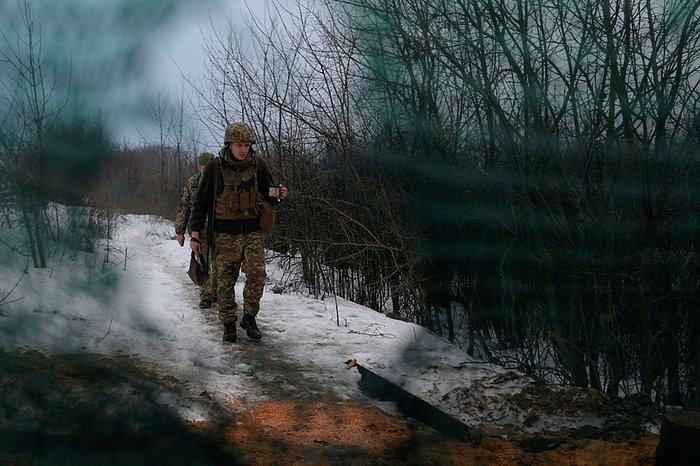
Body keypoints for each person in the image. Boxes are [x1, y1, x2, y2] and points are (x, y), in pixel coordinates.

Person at [189, 122, 288, 342]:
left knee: (257, 275)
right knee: (225, 280)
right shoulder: (215, 168)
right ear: (229, 144)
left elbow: (268, 192)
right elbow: (200, 203)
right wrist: (195, 234)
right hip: (224, 234)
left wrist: (279, 194)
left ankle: (250, 317)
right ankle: (228, 323)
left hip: (252, 232)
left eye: (246, 144)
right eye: (239, 144)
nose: (243, 149)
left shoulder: (257, 165)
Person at [175, 151, 217, 308]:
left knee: (219, 262)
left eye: (208, 168)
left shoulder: (222, 183)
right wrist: (180, 231)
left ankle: (217, 290)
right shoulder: (192, 183)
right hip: (199, 230)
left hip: (219, 229)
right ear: (199, 167)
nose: (205, 170)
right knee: (204, 262)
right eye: (202, 167)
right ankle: (206, 294)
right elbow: (184, 207)